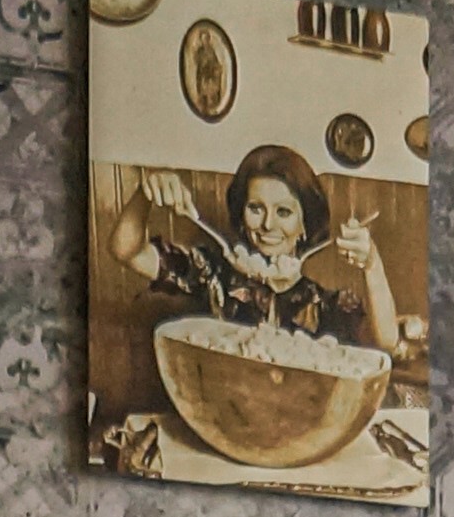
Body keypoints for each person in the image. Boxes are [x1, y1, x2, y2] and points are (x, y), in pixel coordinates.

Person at [108, 143, 396, 359]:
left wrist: (373, 265)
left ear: (304, 225)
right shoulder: (212, 274)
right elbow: (126, 252)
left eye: (283, 212)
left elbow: (385, 343)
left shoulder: (324, 304)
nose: (268, 224)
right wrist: (146, 193)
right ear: (242, 217)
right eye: (256, 208)